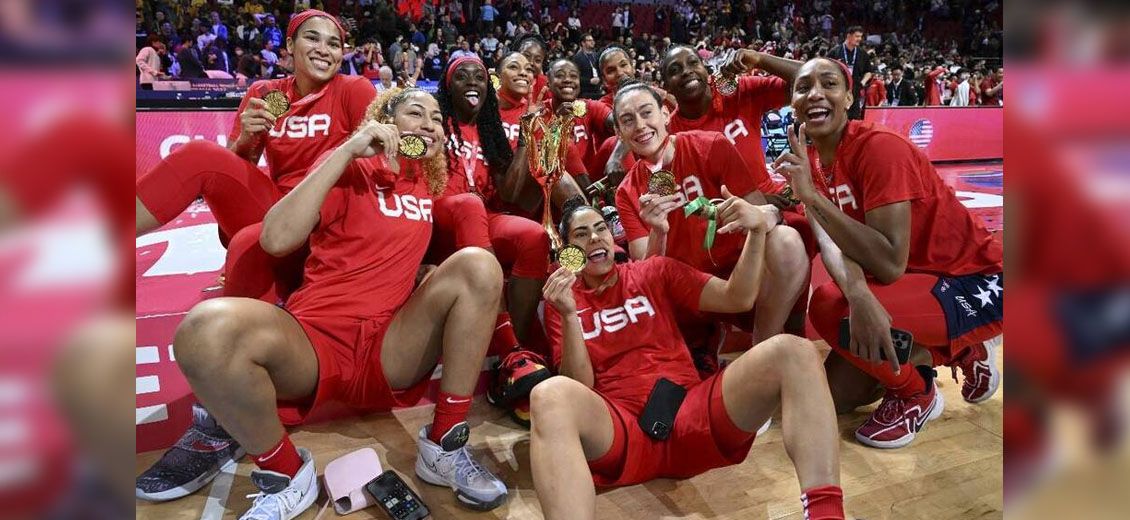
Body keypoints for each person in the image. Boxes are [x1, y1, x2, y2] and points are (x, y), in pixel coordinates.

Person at [171, 87, 509, 519]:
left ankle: (444, 446)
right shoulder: (348, 169)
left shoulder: (427, 184)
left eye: (435, 117)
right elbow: (275, 238)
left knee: (479, 266)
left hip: (389, 345)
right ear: (383, 120)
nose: (428, 122)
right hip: (313, 342)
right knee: (203, 327)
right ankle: (288, 476)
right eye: (414, 112)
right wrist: (348, 150)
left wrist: (429, 273)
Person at [135, 11, 377, 502]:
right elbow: (236, 168)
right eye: (313, 38)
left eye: (336, 42)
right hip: (278, 214)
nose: (326, 49)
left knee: (249, 242)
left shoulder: (353, 92)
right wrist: (245, 137)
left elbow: (377, 164)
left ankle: (220, 418)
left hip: (332, 221)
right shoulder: (267, 92)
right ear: (289, 45)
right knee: (203, 159)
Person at [531, 197, 844, 520]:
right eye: (581, 234)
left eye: (601, 229)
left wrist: (756, 235)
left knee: (795, 350)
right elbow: (580, 384)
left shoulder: (654, 271)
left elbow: (738, 296)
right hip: (622, 434)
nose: (595, 238)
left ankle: (826, 514)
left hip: (688, 417)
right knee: (548, 394)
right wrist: (569, 315)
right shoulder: (562, 301)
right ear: (567, 253)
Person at [776, 58, 1003, 448]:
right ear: (792, 105)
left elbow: (889, 260)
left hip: (976, 279)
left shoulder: (880, 148)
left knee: (830, 306)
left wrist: (811, 197)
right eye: (803, 87)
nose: (815, 93)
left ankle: (917, 394)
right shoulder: (811, 160)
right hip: (918, 282)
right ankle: (959, 349)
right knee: (837, 395)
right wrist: (860, 292)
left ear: (849, 97)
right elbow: (832, 241)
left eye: (828, 83)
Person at [611, 83, 808, 374]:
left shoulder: (711, 145)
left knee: (787, 241)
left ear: (666, 114)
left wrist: (754, 215)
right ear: (619, 132)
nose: (640, 126)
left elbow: (762, 215)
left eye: (646, 113)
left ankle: (762, 349)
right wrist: (659, 231)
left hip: (740, 273)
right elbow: (646, 273)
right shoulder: (627, 192)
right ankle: (701, 341)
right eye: (628, 120)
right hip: (691, 292)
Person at [545, 59, 614, 184]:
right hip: (558, 184)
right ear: (548, 81)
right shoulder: (540, 112)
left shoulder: (588, 106)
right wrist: (557, 124)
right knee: (563, 141)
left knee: (614, 142)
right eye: (560, 75)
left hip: (591, 177)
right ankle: (592, 200)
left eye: (573, 76)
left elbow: (618, 124)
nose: (568, 80)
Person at [825, 26, 872, 120]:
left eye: (860, 37)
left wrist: (862, 82)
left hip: (855, 91)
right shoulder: (835, 52)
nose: (859, 39)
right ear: (849, 36)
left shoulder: (862, 53)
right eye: (857, 36)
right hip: (838, 90)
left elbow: (869, 72)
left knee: (854, 118)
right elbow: (825, 70)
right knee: (839, 117)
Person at [573, 33, 601, 100]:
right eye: (589, 40)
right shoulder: (577, 58)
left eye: (593, 40)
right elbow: (575, 77)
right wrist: (589, 81)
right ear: (583, 43)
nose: (592, 42)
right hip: (585, 92)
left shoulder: (596, 55)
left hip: (597, 90)